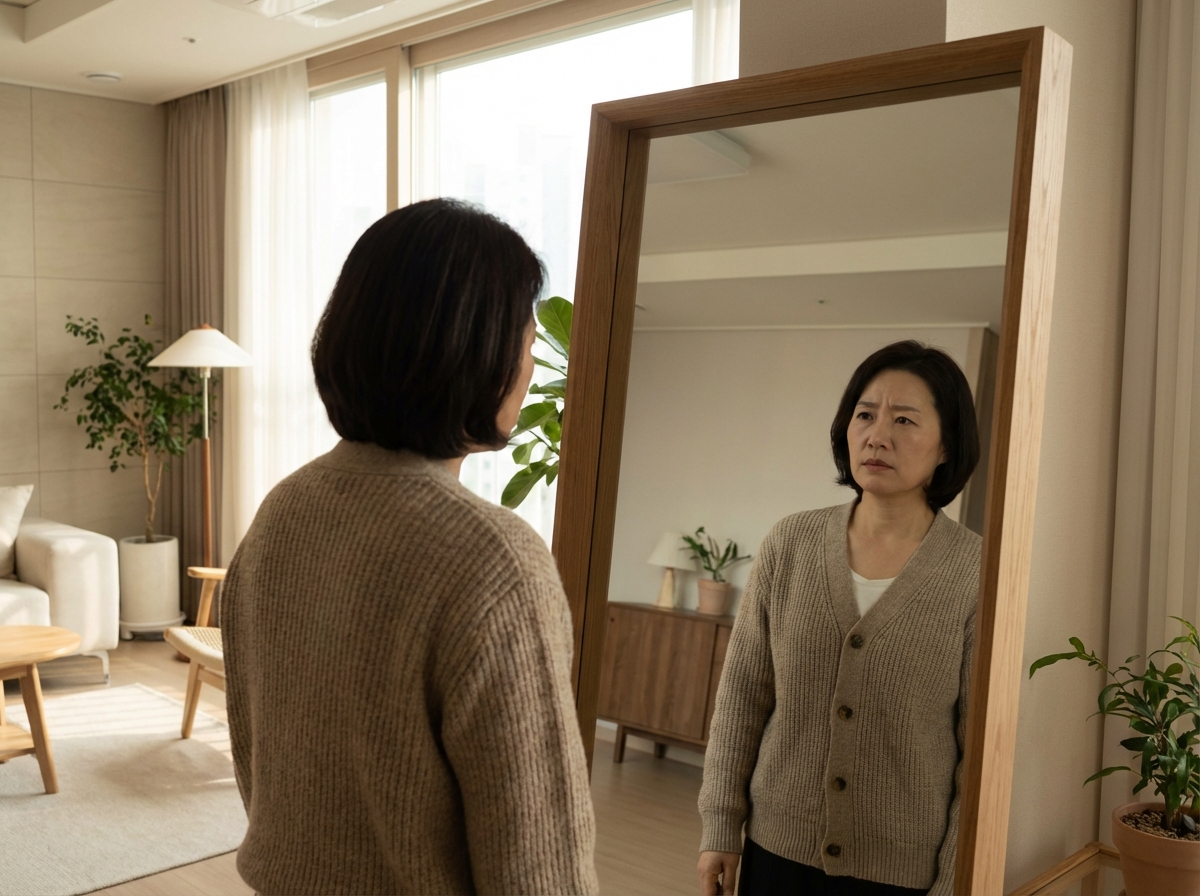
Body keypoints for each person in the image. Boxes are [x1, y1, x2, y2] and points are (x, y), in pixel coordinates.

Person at [221, 198, 599, 895]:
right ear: (473, 348)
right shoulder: (494, 559)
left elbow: (259, 763)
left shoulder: (284, 508)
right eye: (523, 332)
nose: (534, 357)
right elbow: (538, 859)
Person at [697, 341, 982, 896]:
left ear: (947, 444)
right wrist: (721, 827)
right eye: (865, 415)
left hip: (901, 875)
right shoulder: (791, 544)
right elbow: (741, 698)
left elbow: (977, 753)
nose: (878, 435)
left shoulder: (976, 573)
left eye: (904, 419)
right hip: (776, 852)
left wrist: (954, 882)